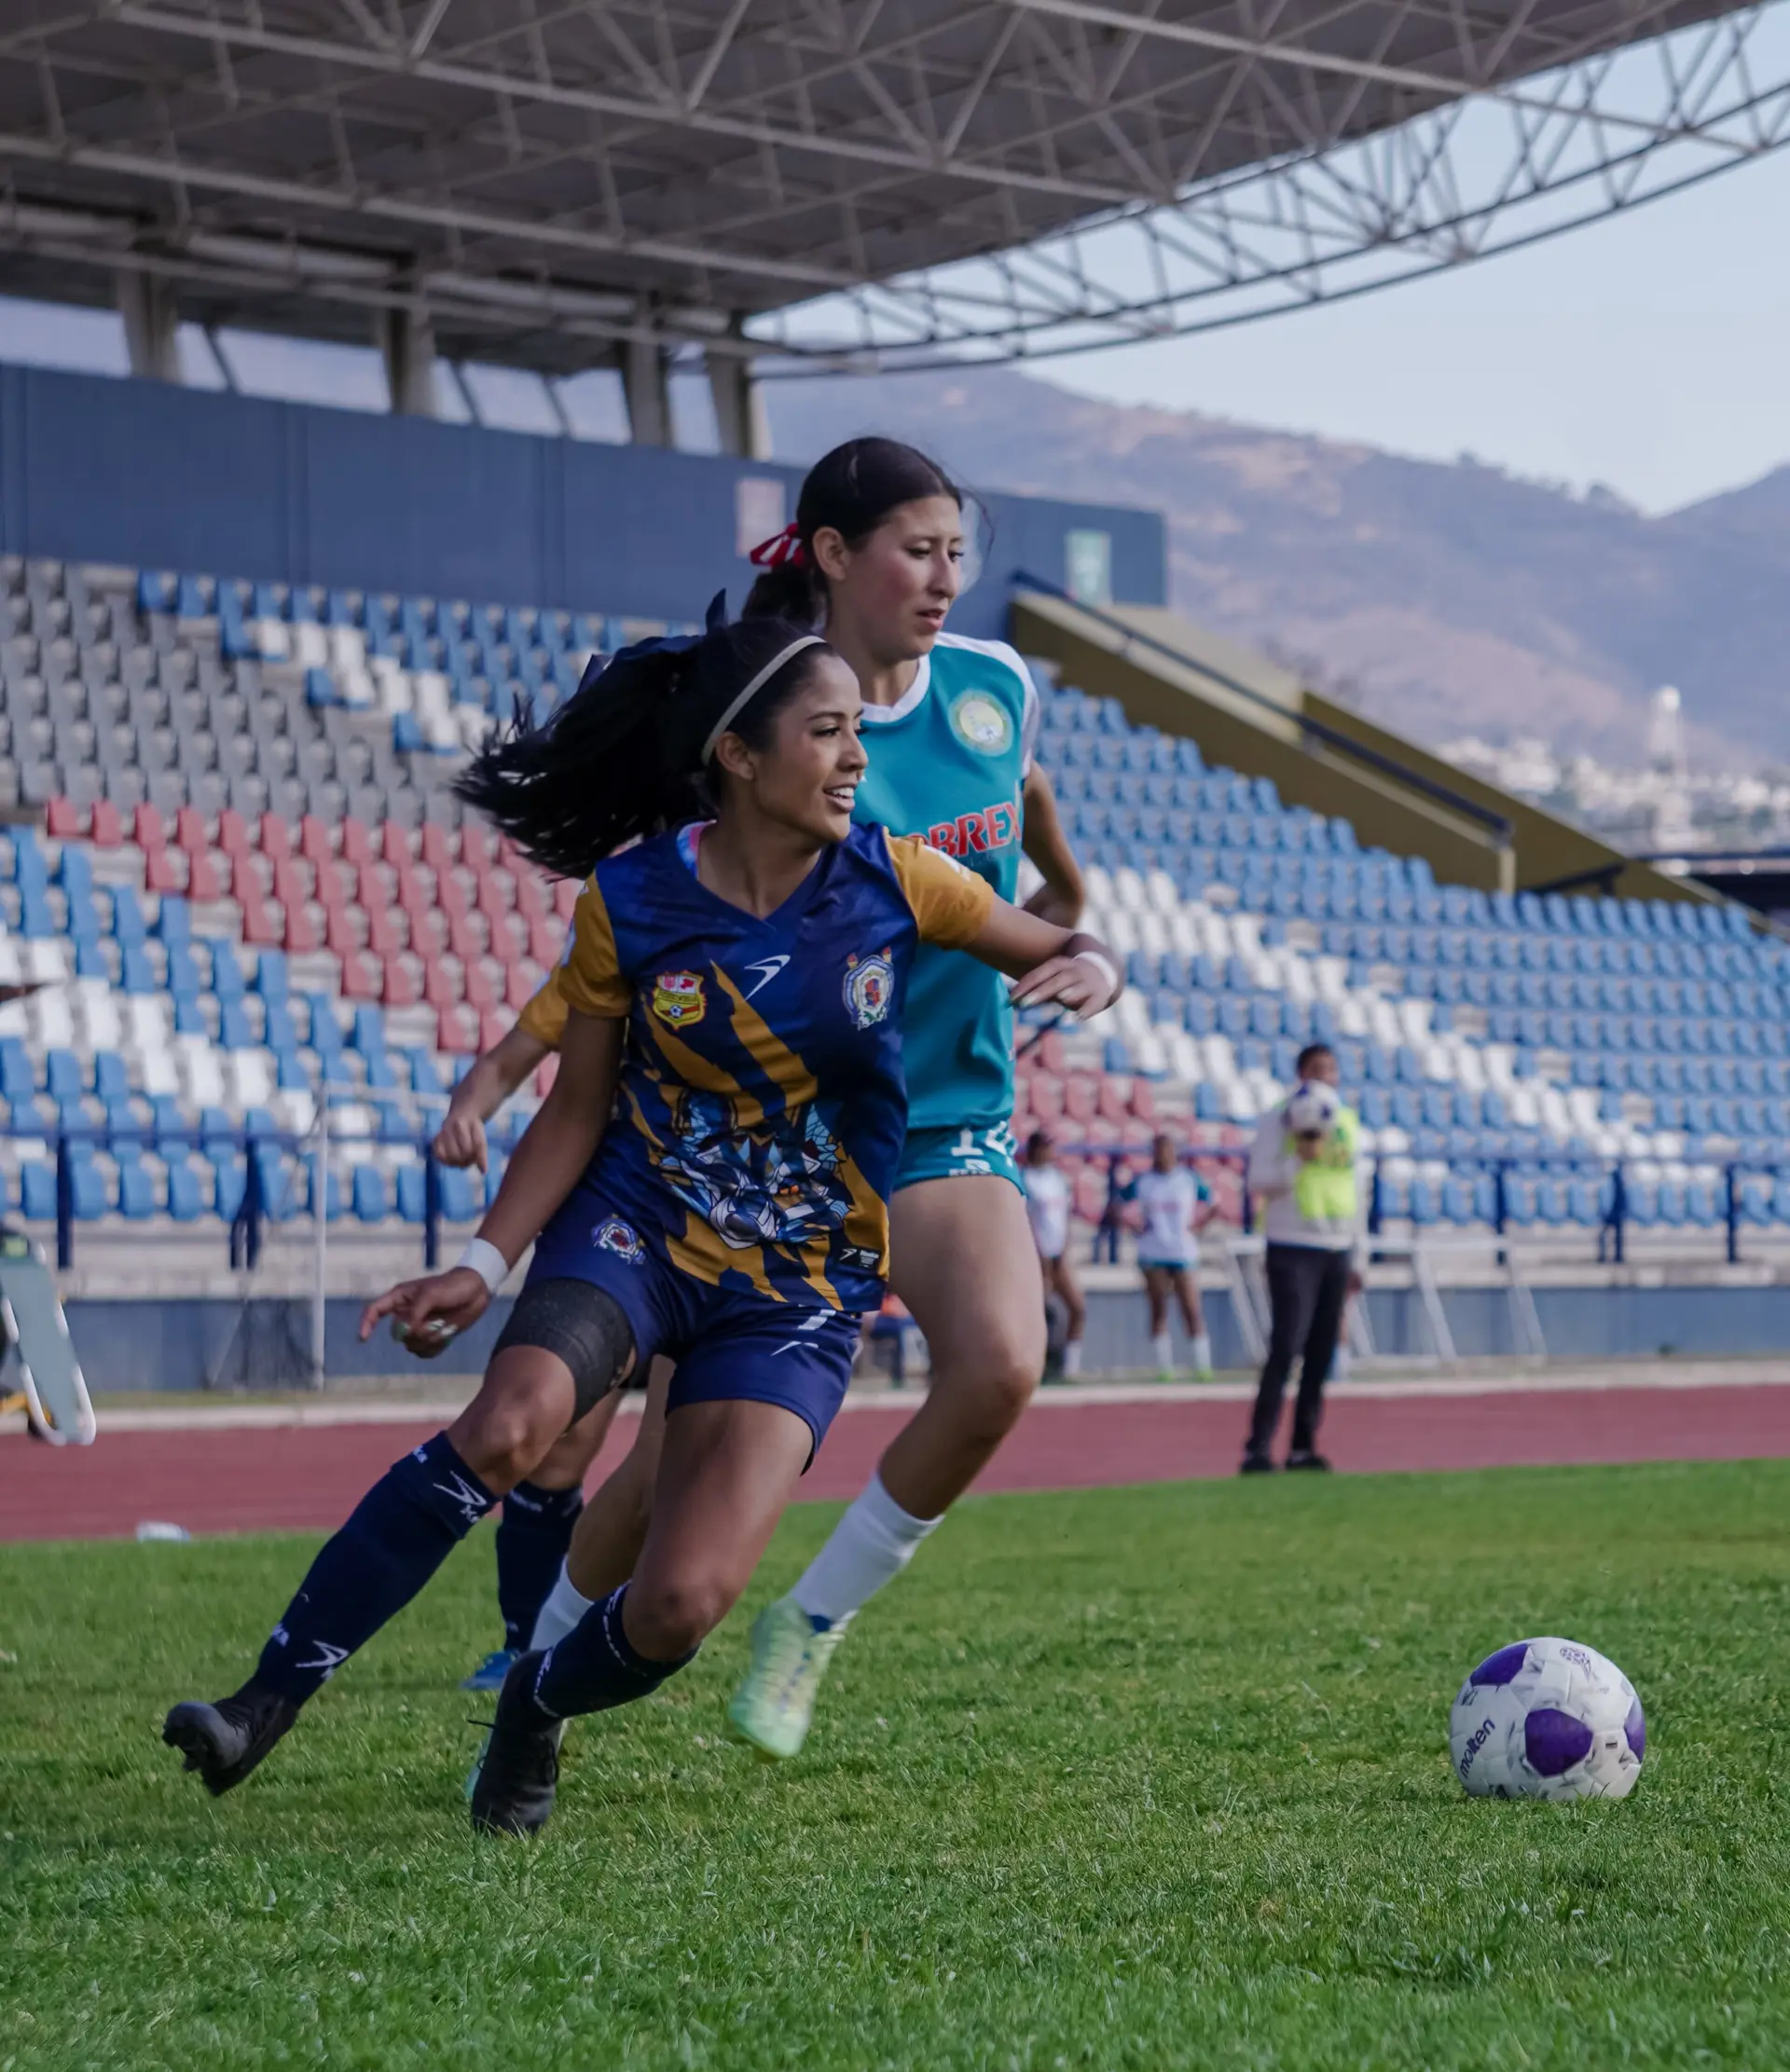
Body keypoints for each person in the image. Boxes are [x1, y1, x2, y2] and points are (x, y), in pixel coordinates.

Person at [161, 610, 1119, 1829]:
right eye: (826, 734)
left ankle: (534, 1705)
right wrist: (480, 1259)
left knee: (678, 1607)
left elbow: (1065, 943)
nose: (855, 760)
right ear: (740, 756)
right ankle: (258, 1706)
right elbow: (574, 1110)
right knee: (509, 1427)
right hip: (639, 1229)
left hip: (803, 1281)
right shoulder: (632, 899)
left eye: (855, 737)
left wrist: (1093, 970)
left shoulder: (898, 877)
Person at [524, 438, 1095, 1762]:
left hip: (947, 1118)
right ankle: (537, 1649)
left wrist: (1070, 933)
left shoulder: (995, 690)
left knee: (1004, 1362)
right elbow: (667, 927)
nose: (945, 576)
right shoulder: (774, 728)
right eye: (916, 548)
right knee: (668, 1468)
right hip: (781, 1153)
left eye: (959, 549)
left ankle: (811, 1629)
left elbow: (1028, 827)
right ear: (833, 556)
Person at [428, 997, 621, 1691]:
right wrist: (465, 1112)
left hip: (721, 1225)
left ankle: (641, 1637)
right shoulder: (607, 951)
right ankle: (526, 1644)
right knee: (555, 1447)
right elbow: (509, 1059)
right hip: (604, 1228)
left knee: (676, 1466)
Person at [1240, 1042, 1365, 1475]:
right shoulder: (1278, 1117)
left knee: (1321, 1351)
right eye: (1315, 1069)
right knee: (1286, 1347)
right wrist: (1297, 1160)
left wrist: (1359, 1252)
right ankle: (1258, 1447)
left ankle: (1302, 1446)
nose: (1323, 1077)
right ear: (1299, 1073)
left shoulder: (1345, 1122)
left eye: (1330, 1069)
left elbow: (1355, 1185)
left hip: (1336, 1245)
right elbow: (1258, 1179)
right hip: (1292, 1243)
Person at [1127, 1132, 1216, 1379]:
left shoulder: (1188, 1179)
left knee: (1190, 1307)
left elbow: (1212, 1203)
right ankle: (1164, 1367)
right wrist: (1133, 1225)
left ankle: (1202, 1365)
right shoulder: (1144, 1181)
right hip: (1153, 1250)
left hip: (1182, 1250)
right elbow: (1118, 1203)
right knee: (1158, 1308)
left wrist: (1199, 1226)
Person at [1021, 1129, 1084, 1381]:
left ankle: (1070, 1366)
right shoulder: (1025, 1178)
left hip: (1058, 1254)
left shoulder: (1057, 1178)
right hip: (1038, 1256)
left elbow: (1064, 1216)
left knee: (1077, 1308)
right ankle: (1039, 1365)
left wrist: (1064, 1247)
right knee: (1040, 1313)